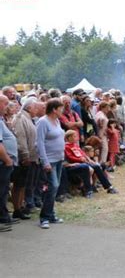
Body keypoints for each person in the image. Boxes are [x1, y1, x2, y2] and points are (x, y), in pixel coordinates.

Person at [36, 98, 65, 229]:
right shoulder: (42, 122)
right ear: (54, 109)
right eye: (60, 108)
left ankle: (51, 214)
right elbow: (40, 143)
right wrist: (45, 161)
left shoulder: (57, 120)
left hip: (59, 159)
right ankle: (44, 217)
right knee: (53, 186)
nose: (62, 111)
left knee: (55, 187)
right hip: (50, 160)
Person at [10, 98, 38, 220]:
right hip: (24, 158)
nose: (36, 110)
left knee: (23, 184)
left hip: (31, 157)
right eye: (35, 107)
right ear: (29, 108)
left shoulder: (29, 118)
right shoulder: (21, 118)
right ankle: (17, 208)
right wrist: (25, 155)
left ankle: (20, 207)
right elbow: (21, 139)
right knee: (19, 184)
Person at [0, 95, 18, 232]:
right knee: (1, 191)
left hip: (4, 162)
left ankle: (4, 216)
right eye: (5, 103)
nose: (8, 106)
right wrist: (7, 159)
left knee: (4, 190)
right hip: (3, 163)